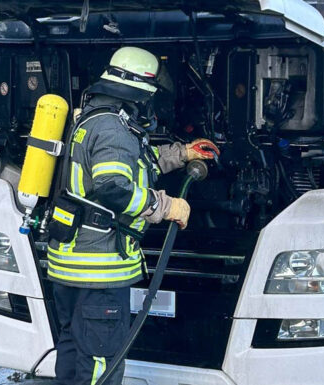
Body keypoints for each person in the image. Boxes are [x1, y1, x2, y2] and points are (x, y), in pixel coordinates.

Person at [47, 46, 219, 385]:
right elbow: (113, 187)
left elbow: (134, 162)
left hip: (70, 268)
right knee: (101, 361)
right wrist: (166, 207)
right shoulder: (113, 128)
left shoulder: (95, 119)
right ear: (141, 93)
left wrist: (181, 153)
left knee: (73, 351)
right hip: (99, 271)